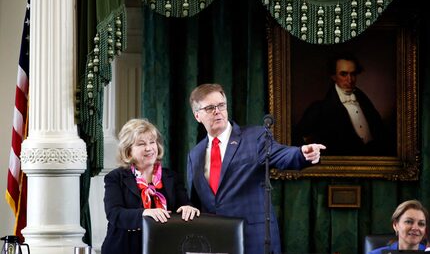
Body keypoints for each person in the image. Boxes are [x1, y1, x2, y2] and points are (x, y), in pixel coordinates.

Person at [186, 83, 326, 254]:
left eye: (221, 105)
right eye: (210, 108)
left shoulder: (255, 137)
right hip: (215, 241)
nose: (217, 111)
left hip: (253, 239)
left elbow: (281, 154)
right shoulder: (195, 154)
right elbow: (195, 202)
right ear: (197, 116)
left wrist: (302, 153)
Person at [101, 118, 200, 254]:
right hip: (124, 248)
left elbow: (184, 204)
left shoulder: (172, 177)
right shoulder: (115, 178)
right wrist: (144, 213)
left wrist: (187, 208)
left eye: (152, 142)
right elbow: (114, 214)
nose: (149, 148)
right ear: (128, 150)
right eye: (141, 144)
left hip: (164, 247)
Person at [295, 53, 391, 156]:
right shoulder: (320, 108)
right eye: (343, 74)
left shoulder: (364, 101)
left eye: (353, 74)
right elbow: (299, 138)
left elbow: (381, 133)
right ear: (333, 76)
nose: (350, 80)